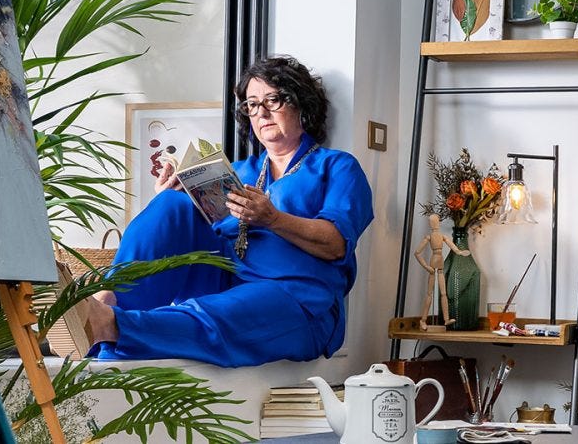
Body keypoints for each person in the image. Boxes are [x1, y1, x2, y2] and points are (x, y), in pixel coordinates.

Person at [85, 55, 374, 366]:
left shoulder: (337, 166)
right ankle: (108, 301)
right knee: (172, 204)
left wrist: (273, 219)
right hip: (227, 276)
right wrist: (172, 197)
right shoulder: (237, 172)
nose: (261, 113)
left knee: (219, 314)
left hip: (298, 299)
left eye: (272, 101)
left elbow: (336, 245)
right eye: (251, 105)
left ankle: (110, 326)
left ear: (301, 104)